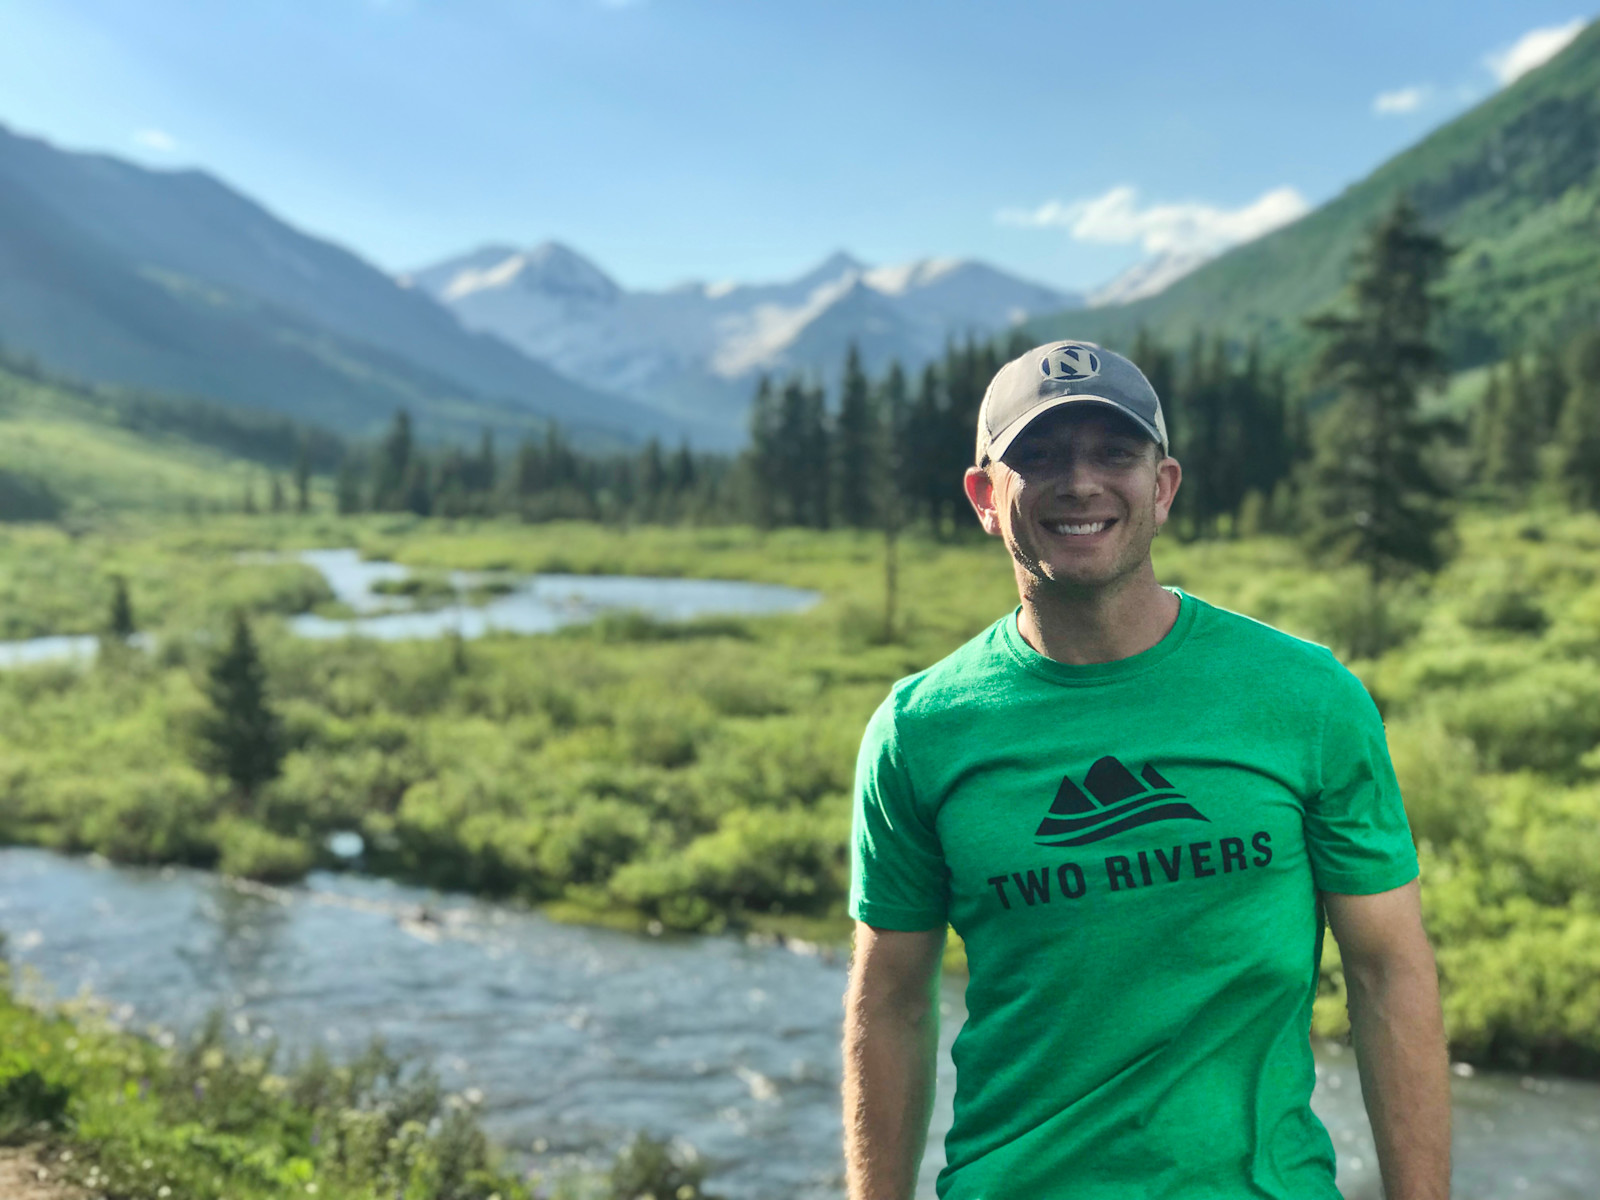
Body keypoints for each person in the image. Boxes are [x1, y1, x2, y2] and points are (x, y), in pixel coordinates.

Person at [841, 341, 1450, 1200]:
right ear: (984, 498)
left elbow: (1388, 973)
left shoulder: (1308, 698)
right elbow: (892, 1002)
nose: (1079, 483)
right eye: (1039, 456)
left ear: (1162, 487)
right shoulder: (918, 731)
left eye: (1113, 453)